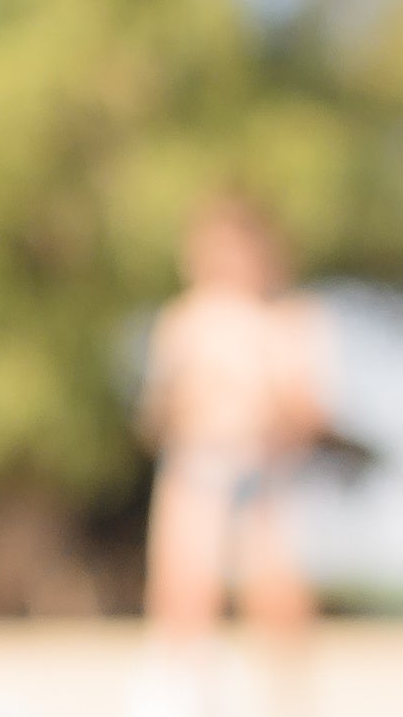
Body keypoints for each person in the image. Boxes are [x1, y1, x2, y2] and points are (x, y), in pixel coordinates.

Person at [140, 195, 330, 642]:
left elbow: (310, 412)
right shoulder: (183, 321)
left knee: (273, 590)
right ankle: (183, 692)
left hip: (263, 471)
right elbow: (155, 415)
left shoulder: (288, 320)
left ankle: (282, 696)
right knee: (183, 587)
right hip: (196, 466)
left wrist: (268, 397)